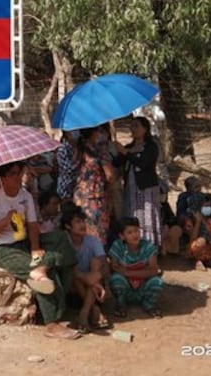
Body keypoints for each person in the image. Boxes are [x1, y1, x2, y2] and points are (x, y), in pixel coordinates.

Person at [0, 161, 81, 340]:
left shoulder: (25, 196)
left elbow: (33, 225)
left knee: (60, 239)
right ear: (2, 178)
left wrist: (35, 248)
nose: (19, 177)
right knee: (47, 278)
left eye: (20, 173)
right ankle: (51, 324)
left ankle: (41, 268)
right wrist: (5, 221)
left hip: (26, 243)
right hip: (5, 249)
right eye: (13, 174)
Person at [61, 204, 111, 332]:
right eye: (77, 222)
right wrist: (86, 278)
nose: (82, 225)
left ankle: (83, 314)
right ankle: (93, 309)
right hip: (72, 290)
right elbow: (72, 272)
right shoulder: (64, 242)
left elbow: (105, 265)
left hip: (95, 288)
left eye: (83, 221)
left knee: (96, 263)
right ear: (67, 226)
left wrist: (96, 276)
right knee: (74, 272)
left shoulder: (93, 241)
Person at [115, 117, 162, 248]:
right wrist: (117, 150)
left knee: (147, 215)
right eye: (132, 126)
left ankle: (150, 247)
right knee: (133, 215)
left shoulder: (151, 146)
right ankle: (133, 246)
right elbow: (117, 162)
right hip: (131, 187)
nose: (133, 129)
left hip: (146, 188)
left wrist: (126, 153)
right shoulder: (129, 147)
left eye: (136, 126)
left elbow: (143, 163)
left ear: (145, 129)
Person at [108, 216, 164, 319]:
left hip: (143, 287)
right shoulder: (118, 246)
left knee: (157, 282)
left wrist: (127, 273)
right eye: (129, 233)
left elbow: (153, 271)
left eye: (136, 231)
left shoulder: (148, 246)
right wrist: (142, 272)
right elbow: (114, 268)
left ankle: (149, 305)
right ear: (122, 236)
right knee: (116, 279)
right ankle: (121, 305)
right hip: (127, 287)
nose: (135, 235)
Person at [73, 126, 115, 244]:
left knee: (82, 229)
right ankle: (98, 258)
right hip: (96, 196)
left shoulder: (77, 148)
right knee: (97, 232)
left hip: (80, 195)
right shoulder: (100, 150)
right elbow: (110, 175)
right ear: (95, 133)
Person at [56, 129, 80, 201]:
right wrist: (77, 157)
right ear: (66, 133)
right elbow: (69, 169)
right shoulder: (62, 149)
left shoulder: (77, 147)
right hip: (66, 188)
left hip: (77, 187)